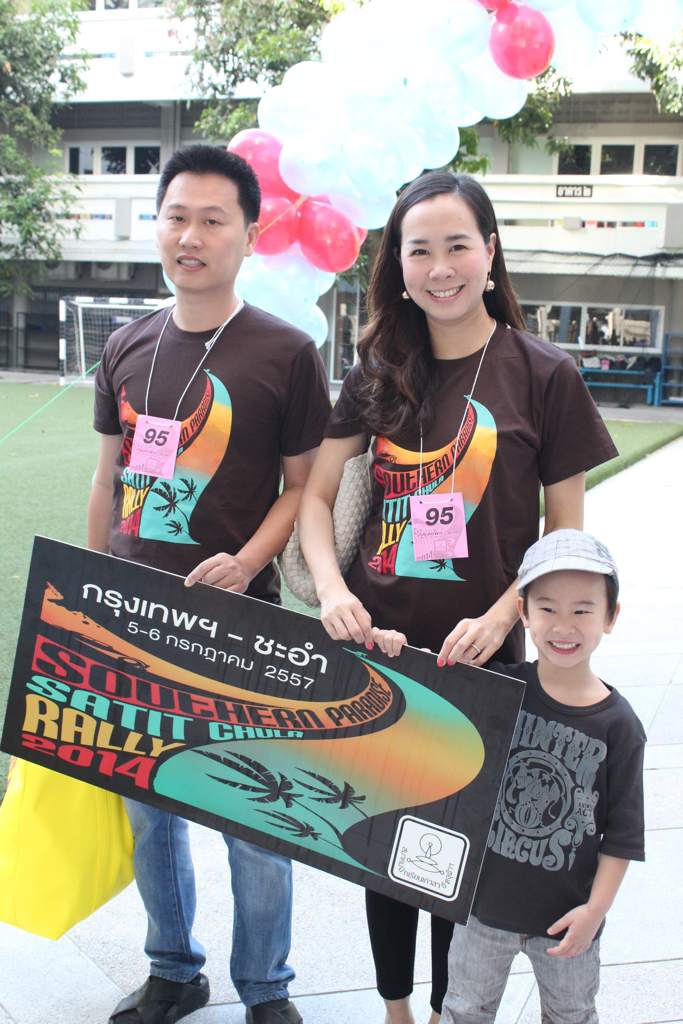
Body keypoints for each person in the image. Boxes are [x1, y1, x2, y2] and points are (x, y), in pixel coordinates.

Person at [297, 171, 618, 1024]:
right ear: (398, 268)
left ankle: (448, 1013)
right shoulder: (376, 373)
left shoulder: (543, 374)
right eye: (419, 251)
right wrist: (331, 590)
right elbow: (316, 499)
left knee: (454, 857)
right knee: (379, 843)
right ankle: (396, 1010)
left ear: (489, 252)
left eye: (456, 246)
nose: (440, 268)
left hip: (486, 664)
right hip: (377, 653)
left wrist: (505, 614)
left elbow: (564, 538)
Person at [88, 144, 331, 1024]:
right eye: (176, 217)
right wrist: (84, 590)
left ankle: (266, 988)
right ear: (158, 226)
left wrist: (249, 559)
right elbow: (108, 477)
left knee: (256, 819)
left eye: (211, 220)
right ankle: (173, 971)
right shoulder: (126, 344)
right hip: (134, 621)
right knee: (151, 815)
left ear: (249, 236)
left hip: (239, 624)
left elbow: (303, 487)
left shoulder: (286, 352)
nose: (189, 236)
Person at [439, 529, 646, 1023]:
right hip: (481, 910)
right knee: (464, 1009)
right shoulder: (497, 690)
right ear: (524, 612)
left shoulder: (619, 726)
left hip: (567, 918)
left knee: (571, 1013)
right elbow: (425, 693)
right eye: (548, 608)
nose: (564, 626)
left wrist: (594, 913)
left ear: (611, 616)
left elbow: (622, 838)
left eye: (583, 610)